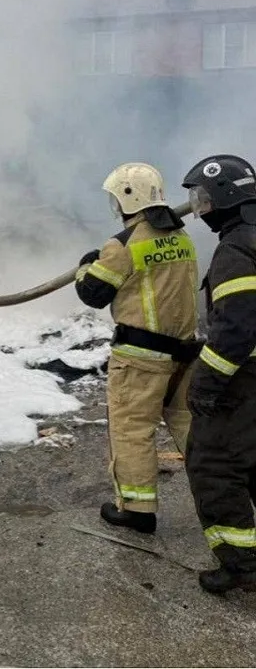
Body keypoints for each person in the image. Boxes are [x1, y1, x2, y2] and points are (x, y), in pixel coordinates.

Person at [73, 162, 199, 535]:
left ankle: (136, 509)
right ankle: (222, 489)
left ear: (130, 198)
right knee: (190, 424)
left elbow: (92, 293)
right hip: (184, 353)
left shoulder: (123, 245)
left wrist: (86, 267)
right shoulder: (182, 238)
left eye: (117, 198)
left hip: (141, 359)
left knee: (131, 429)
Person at [180, 154, 256, 594]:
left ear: (225, 197)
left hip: (243, 380)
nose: (199, 207)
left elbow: (238, 328)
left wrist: (206, 382)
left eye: (203, 198)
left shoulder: (235, 249)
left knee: (214, 466)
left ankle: (242, 564)